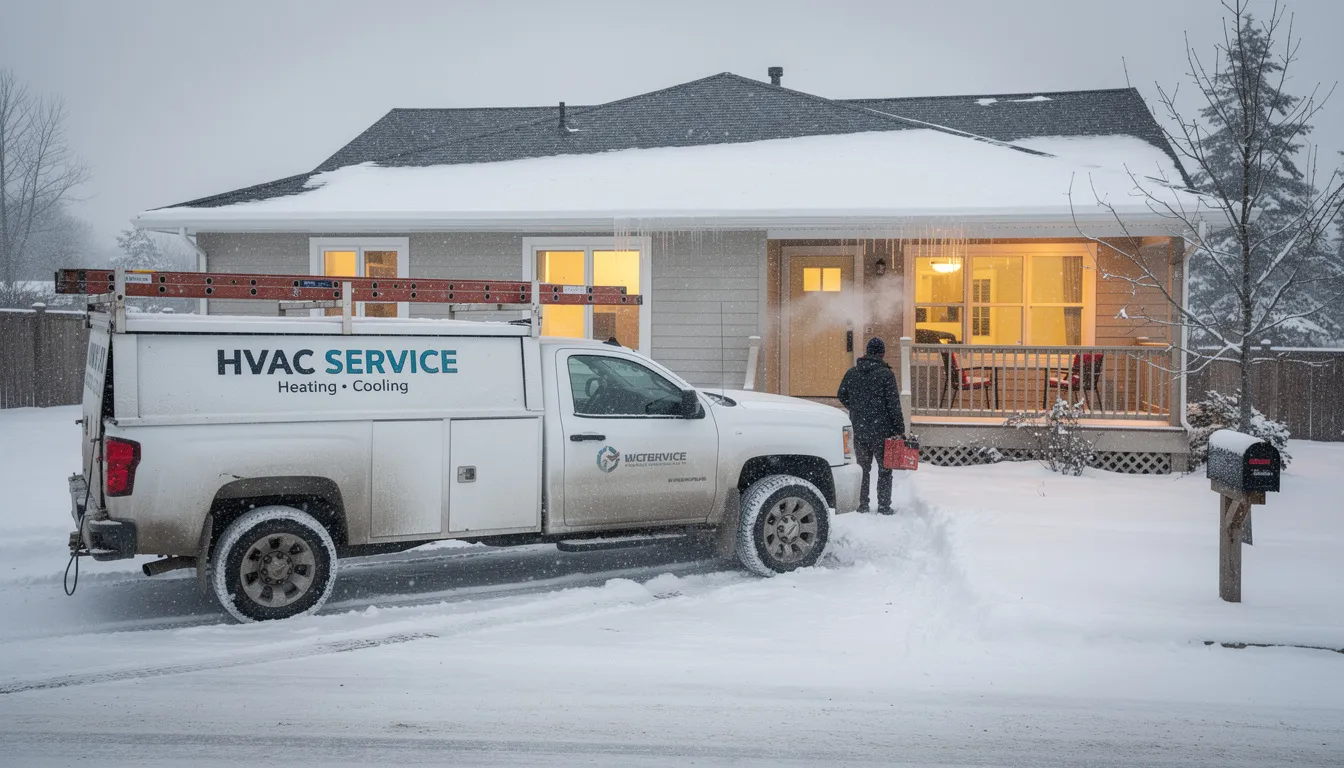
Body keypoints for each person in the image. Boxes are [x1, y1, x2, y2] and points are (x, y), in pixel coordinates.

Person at [836, 337, 906, 515]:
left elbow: (841, 394)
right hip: (881, 430)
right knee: (884, 470)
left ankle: (862, 504)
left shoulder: (852, 373)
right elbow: (893, 405)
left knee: (862, 469)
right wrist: (899, 428)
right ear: (882, 354)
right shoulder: (886, 375)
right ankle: (883, 506)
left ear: (866, 352)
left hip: (859, 428)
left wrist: (855, 408)